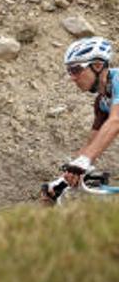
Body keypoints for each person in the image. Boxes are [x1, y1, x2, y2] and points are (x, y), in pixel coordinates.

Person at [43, 36, 117, 202]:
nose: (72, 77)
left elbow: (115, 122)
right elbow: (91, 144)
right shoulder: (102, 101)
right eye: (69, 71)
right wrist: (64, 180)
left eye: (76, 69)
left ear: (97, 66)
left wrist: (84, 161)